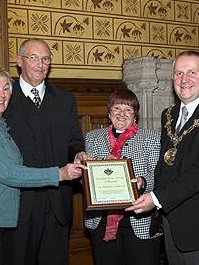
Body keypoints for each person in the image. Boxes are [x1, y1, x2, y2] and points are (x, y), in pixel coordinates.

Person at [126, 51, 199, 265]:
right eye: (179, 73)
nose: (184, 80)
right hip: (171, 223)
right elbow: (167, 164)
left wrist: (156, 199)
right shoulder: (169, 114)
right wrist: (145, 183)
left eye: (192, 72)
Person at [0, 64, 85, 265]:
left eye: (6, 88)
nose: (2, 94)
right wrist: (59, 174)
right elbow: (8, 173)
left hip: (0, 223)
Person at [3, 39, 87, 265]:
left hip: (57, 203)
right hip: (18, 203)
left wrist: (78, 154)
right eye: (33, 58)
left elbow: (74, 140)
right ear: (19, 61)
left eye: (46, 59)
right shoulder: (3, 98)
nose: (41, 64)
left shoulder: (65, 100)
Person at [84, 88, 162, 265]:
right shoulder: (93, 138)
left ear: (135, 115)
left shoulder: (151, 138)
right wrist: (98, 168)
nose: (121, 114)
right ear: (109, 113)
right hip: (102, 221)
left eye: (128, 109)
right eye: (117, 108)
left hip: (140, 219)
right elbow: (83, 179)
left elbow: (160, 176)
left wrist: (142, 182)